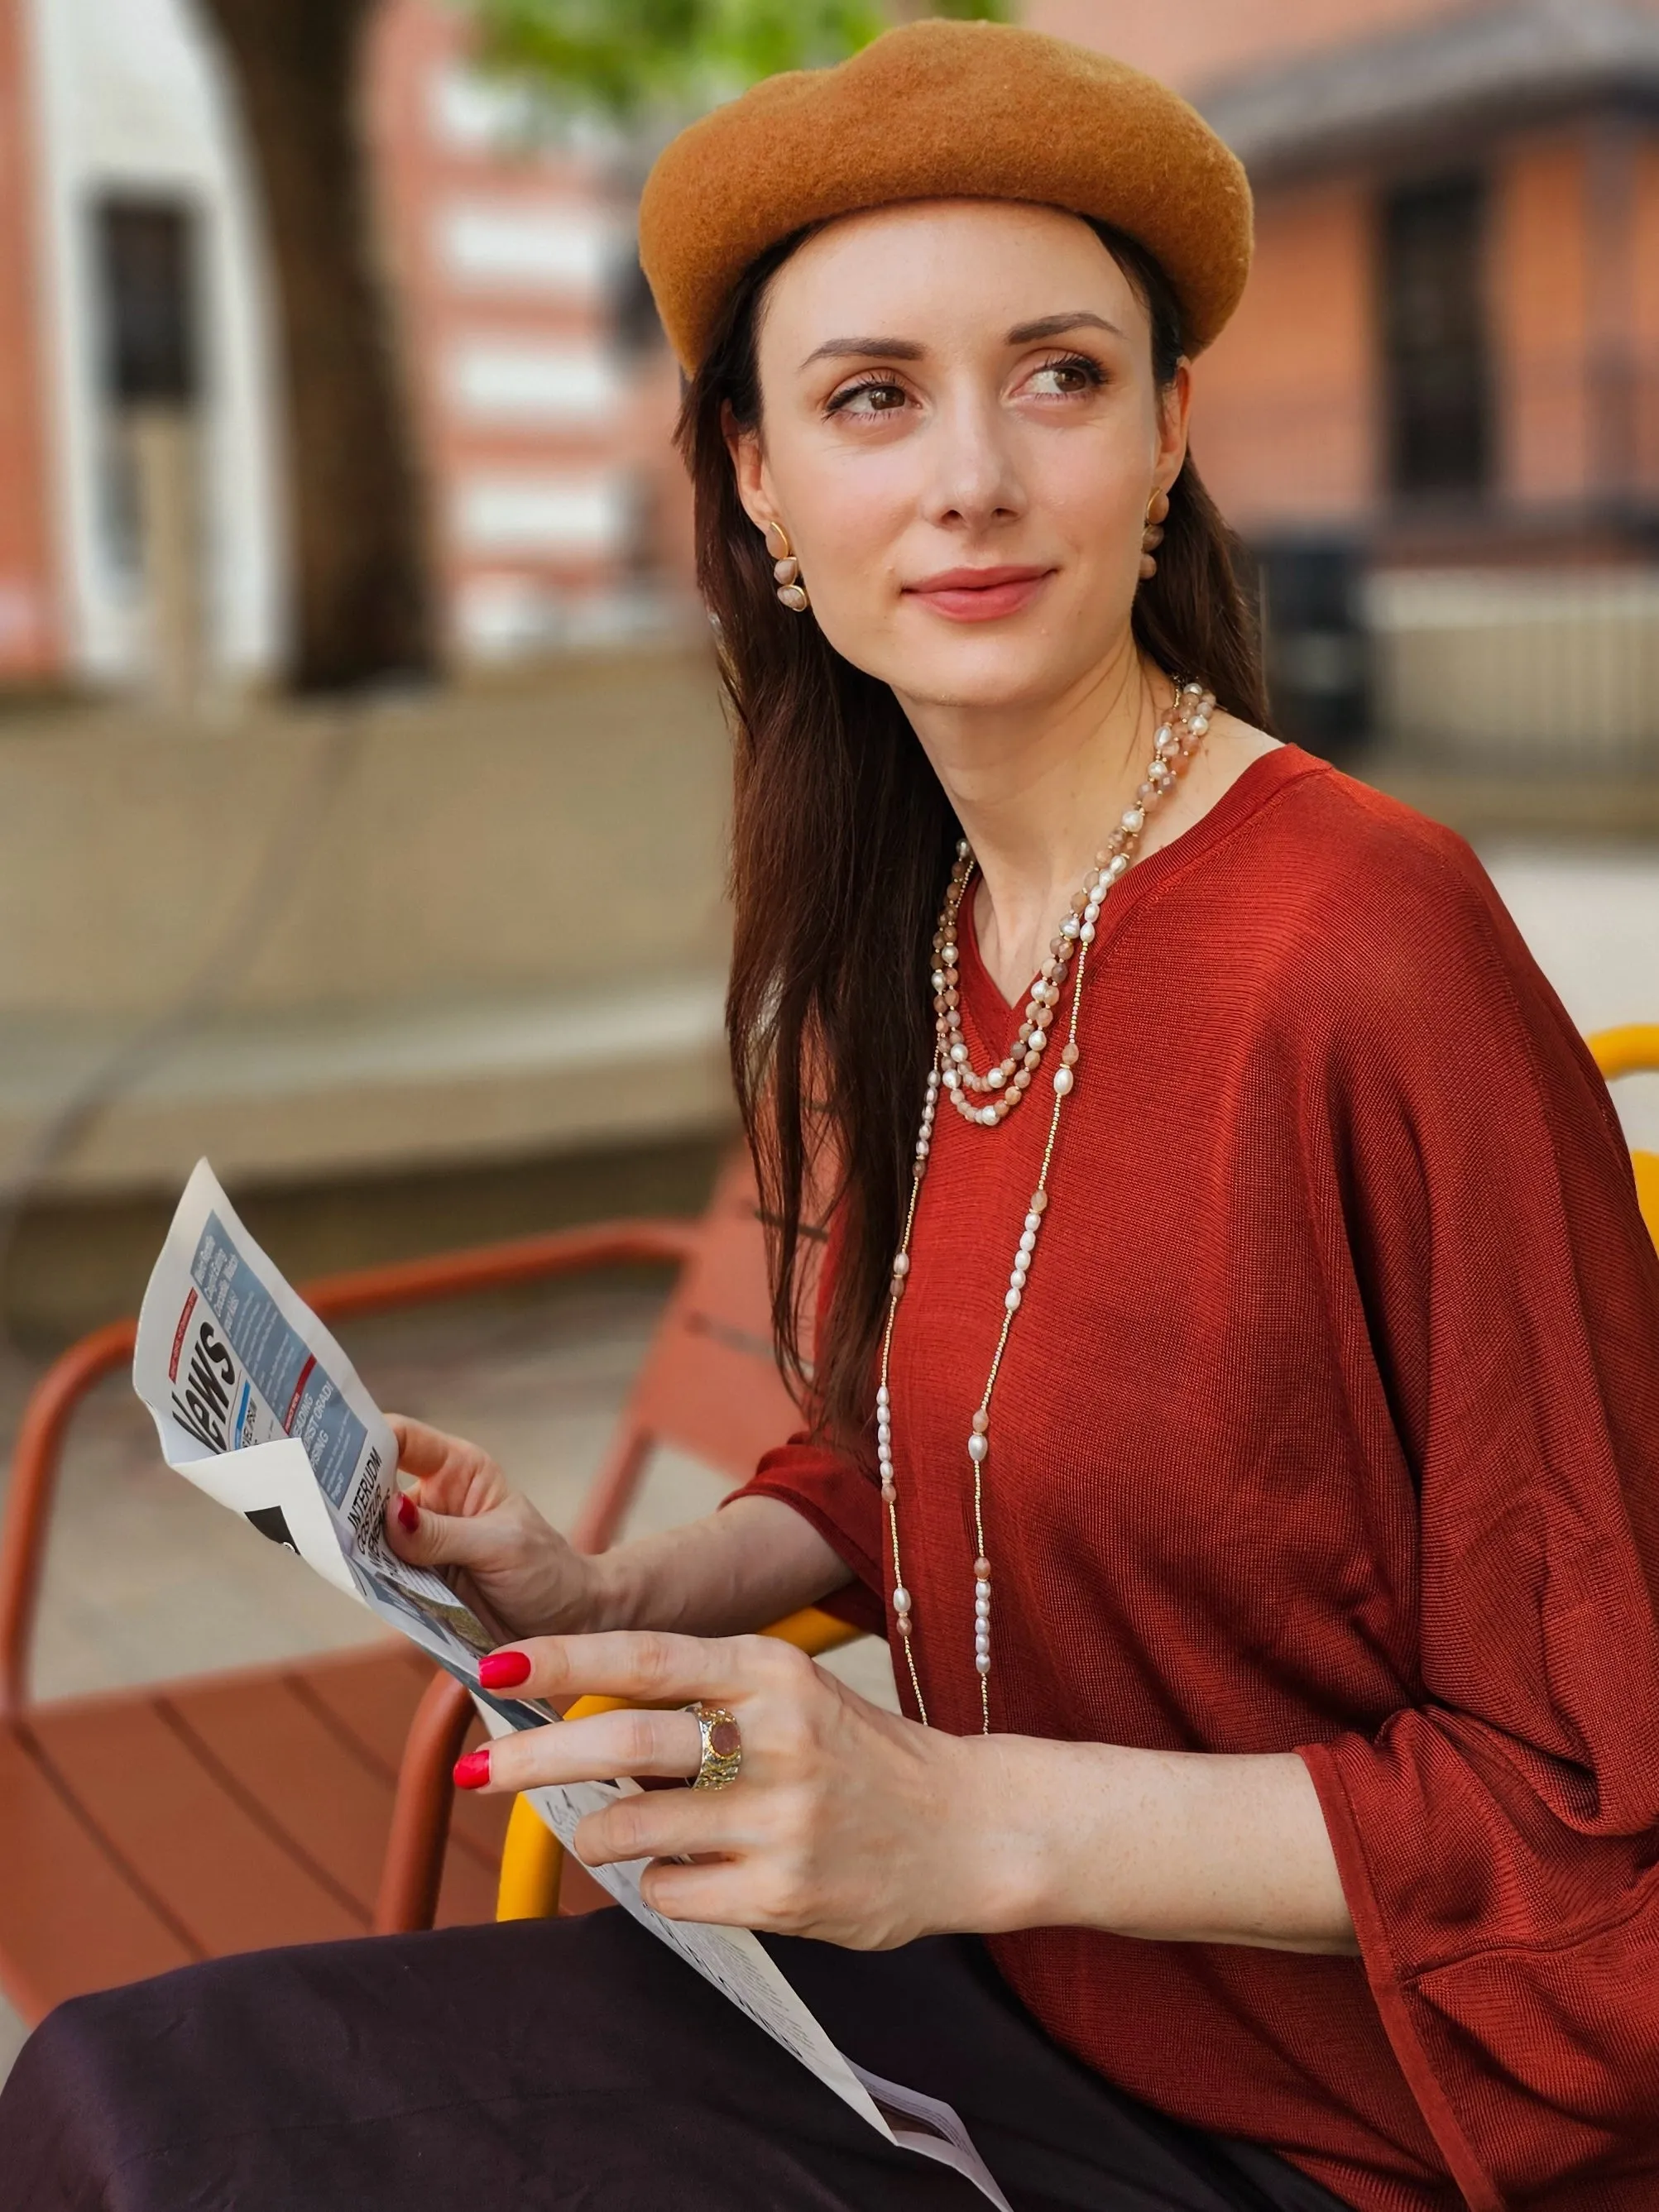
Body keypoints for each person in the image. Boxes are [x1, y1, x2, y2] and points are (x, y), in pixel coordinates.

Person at [4, 20, 1657, 2211]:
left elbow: (1597, 1822)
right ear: (763, 485)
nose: (967, 475)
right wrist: (624, 1581)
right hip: (981, 1986)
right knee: (128, 2096)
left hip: (1341, 2120)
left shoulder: (1362, 945)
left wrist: (949, 1816)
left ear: (1166, 433)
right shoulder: (934, 922)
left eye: (1056, 376)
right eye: (871, 396)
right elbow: (936, 1456)